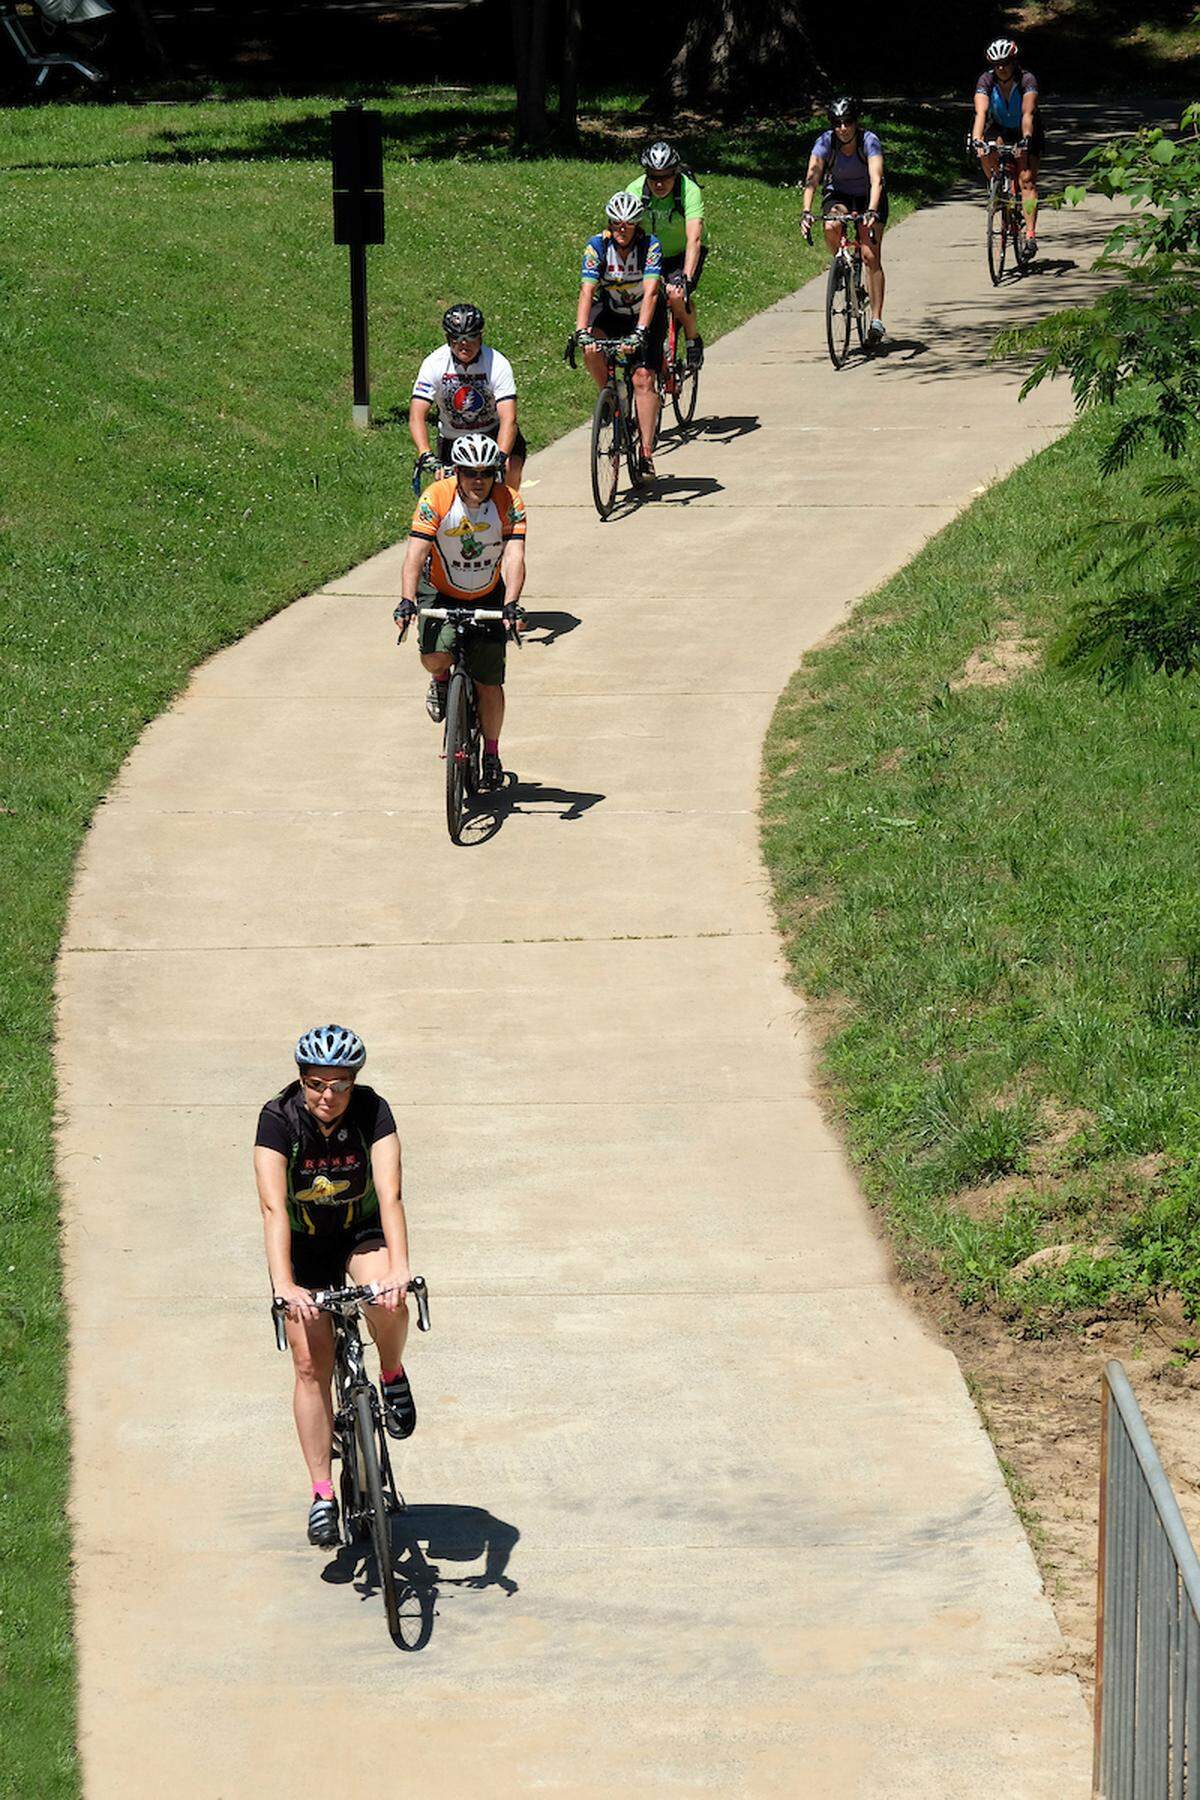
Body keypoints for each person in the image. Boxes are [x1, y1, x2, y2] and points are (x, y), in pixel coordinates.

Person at [255, 1025, 415, 1550]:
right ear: (300, 1081)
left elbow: (390, 1194)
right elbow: (274, 1207)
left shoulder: (374, 1112)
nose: (329, 1096)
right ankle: (323, 1493)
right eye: (317, 1084)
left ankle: (390, 1373)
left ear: (355, 1083)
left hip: (359, 1232)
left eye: (341, 1084)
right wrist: (284, 1284)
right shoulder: (278, 1120)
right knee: (310, 1363)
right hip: (305, 1246)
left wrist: (400, 1270)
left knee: (387, 1301)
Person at [394, 433, 527, 792]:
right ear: (457, 472)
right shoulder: (435, 498)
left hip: (487, 592)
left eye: (486, 473)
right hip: (441, 589)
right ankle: (441, 682)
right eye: (470, 473)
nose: (479, 481)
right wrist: (407, 600)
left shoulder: (509, 501)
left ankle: (493, 755)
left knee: (489, 682)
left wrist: (511, 603)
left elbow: (514, 557)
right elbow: (415, 554)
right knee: (434, 655)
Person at [573, 191, 666, 480]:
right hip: (612, 312)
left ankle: (647, 453)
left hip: (646, 314)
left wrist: (640, 331)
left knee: (642, 379)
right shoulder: (597, 246)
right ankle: (610, 396)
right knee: (591, 346)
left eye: (627, 223)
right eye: (616, 223)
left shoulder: (650, 246)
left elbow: (651, 291)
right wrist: (580, 330)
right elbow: (587, 290)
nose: (621, 228)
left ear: (637, 224)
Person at [410, 302, 527, 491]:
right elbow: (417, 415)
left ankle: (509, 515)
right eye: (457, 338)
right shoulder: (434, 363)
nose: (464, 344)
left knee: (509, 470)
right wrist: (425, 454)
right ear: (448, 339)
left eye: (471, 337)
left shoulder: (497, 363)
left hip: (492, 433)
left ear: (480, 337)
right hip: (453, 439)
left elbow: (509, 418)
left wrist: (501, 456)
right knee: (445, 491)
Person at [801, 97, 889, 346]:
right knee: (830, 224)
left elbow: (876, 179)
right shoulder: (825, 143)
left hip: (869, 196)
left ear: (856, 122)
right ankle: (842, 264)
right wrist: (806, 211)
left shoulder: (868, 141)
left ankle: (876, 320)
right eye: (837, 123)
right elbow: (812, 178)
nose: (842, 128)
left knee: (870, 256)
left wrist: (871, 210)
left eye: (847, 122)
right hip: (839, 195)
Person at [625, 139, 706, 369]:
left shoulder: (688, 190)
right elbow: (625, 233)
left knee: (677, 295)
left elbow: (694, 239)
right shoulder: (635, 190)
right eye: (653, 177)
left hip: (683, 251)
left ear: (675, 173)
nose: (659, 183)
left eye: (666, 176)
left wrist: (686, 278)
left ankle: (692, 339)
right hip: (651, 252)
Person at [972, 37, 1043, 257]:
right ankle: (997, 187)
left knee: (1026, 180)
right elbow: (981, 113)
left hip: (1025, 129)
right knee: (986, 148)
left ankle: (1030, 235)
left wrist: (1026, 139)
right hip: (1000, 128)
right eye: (996, 64)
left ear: (1013, 62)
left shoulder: (1026, 79)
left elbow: (1027, 114)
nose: (1001, 68)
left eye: (1005, 62)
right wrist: (977, 139)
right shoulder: (986, 81)